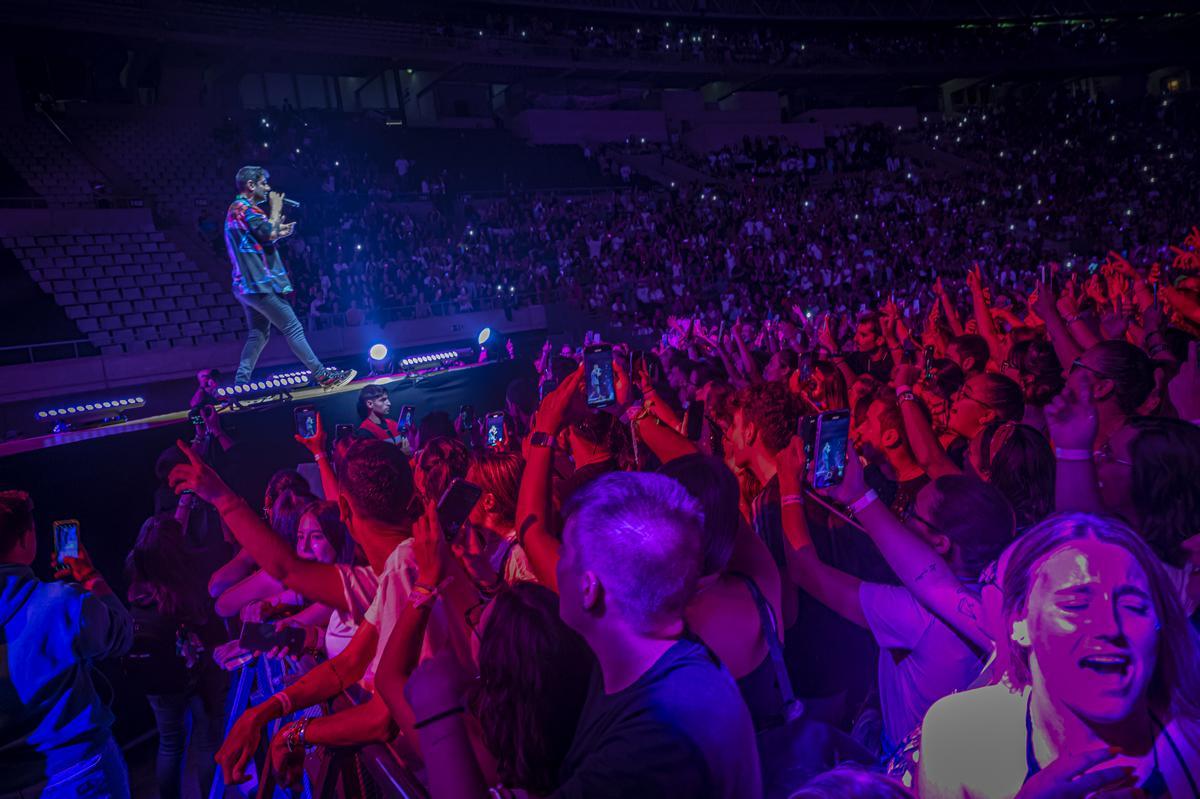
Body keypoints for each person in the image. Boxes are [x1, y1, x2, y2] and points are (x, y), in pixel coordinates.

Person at [406, 471, 762, 798]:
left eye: (566, 552)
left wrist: (436, 714)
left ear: (589, 588)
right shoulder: (658, 659)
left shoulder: (652, 745)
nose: (555, 560)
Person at [918, 513, 1200, 799]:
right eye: (1076, 604)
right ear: (1019, 623)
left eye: (1133, 606)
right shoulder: (959, 738)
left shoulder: (1193, 744)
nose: (1110, 627)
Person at [0, 490, 133, 798]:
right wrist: (89, 575)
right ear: (27, 538)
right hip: (79, 773)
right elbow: (123, 634)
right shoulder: (63, 602)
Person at [123, 515, 227, 799]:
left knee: (170, 743)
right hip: (199, 673)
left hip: (158, 677)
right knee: (207, 741)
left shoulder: (137, 575)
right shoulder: (188, 579)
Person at [224, 165, 355, 388]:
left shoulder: (235, 209)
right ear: (251, 185)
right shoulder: (249, 209)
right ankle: (323, 375)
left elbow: (260, 239)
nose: (267, 188)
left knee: (259, 333)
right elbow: (266, 232)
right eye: (263, 183)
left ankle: (240, 384)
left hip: (244, 284)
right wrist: (275, 209)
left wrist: (279, 232)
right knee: (292, 328)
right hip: (260, 284)